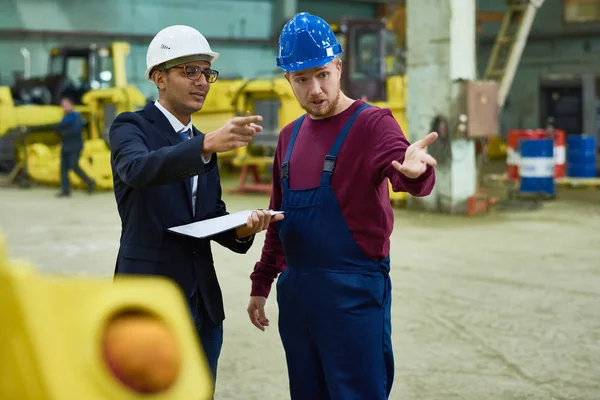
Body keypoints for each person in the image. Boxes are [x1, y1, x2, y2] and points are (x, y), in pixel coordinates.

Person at [246, 13, 437, 399]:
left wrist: (417, 174)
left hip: (354, 293)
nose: (314, 89)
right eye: (302, 79)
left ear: (338, 66)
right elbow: (280, 216)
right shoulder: (289, 137)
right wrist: (261, 282)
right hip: (298, 294)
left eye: (322, 75)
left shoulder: (373, 124)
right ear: (288, 80)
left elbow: (403, 172)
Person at [108, 24, 283, 386]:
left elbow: (208, 215)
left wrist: (241, 228)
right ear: (159, 77)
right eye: (190, 71)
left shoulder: (202, 142)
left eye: (207, 72)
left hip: (203, 301)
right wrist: (203, 148)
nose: (202, 81)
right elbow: (137, 169)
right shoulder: (131, 127)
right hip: (151, 297)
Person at [56, 95, 96, 197]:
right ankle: (65, 191)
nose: (64, 107)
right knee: (63, 169)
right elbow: (58, 129)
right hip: (65, 146)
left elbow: (75, 130)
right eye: (62, 105)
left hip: (75, 146)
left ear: (71, 105)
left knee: (74, 166)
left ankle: (90, 182)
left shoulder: (76, 116)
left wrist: (63, 132)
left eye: (66, 105)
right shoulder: (65, 117)